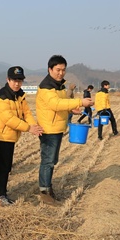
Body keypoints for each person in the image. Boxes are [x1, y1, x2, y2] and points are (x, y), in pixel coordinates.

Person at [36, 55, 94, 205]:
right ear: (50, 69)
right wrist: (81, 102)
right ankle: (44, 191)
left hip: (56, 127)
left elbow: (62, 104)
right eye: (57, 70)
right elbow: (55, 104)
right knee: (48, 161)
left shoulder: (59, 85)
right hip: (49, 129)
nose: (61, 73)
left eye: (63, 70)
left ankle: (48, 187)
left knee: (52, 160)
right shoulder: (46, 87)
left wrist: (71, 109)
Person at [0, 66, 43, 206]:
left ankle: (3, 194)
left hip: (11, 136)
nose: (17, 83)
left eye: (19, 80)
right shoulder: (1, 96)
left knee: (7, 167)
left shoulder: (20, 95)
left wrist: (34, 126)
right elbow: (9, 119)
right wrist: (28, 128)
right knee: (2, 167)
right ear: (8, 80)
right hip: (2, 136)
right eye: (14, 80)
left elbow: (27, 113)